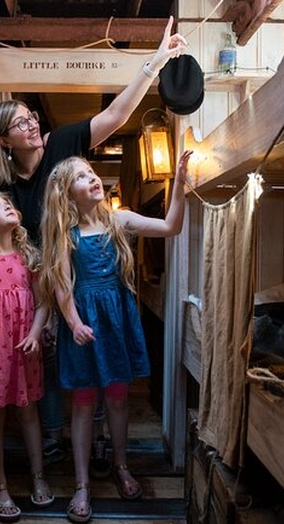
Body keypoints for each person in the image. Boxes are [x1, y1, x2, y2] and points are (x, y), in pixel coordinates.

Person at [0, 15, 189, 472]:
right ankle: (55, 442)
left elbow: (115, 116)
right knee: (52, 359)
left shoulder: (62, 144)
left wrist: (154, 64)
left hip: (77, 271)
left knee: (90, 359)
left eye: (31, 116)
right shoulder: (1, 184)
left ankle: (96, 445)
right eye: (19, 123)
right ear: (4, 140)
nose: (31, 124)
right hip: (41, 280)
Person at [38, 151, 193, 523]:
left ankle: (121, 466)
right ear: (66, 194)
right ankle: (81, 484)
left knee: (118, 400)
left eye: (91, 172)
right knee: (83, 403)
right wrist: (74, 323)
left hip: (116, 321)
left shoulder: (118, 220)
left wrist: (180, 184)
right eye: (81, 176)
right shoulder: (66, 234)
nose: (92, 177)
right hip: (83, 323)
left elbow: (171, 226)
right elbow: (62, 285)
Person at [0, 189, 54, 523]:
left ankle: (38, 476)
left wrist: (35, 333)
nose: (5, 205)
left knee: (29, 412)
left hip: (22, 347)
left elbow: (44, 301)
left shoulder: (27, 257)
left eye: (6, 202)